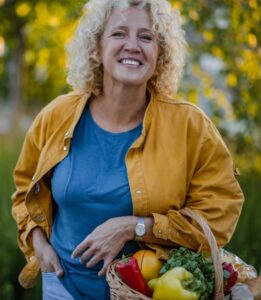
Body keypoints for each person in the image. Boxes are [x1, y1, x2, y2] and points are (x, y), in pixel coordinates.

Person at [11, 0, 244, 299]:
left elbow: (218, 217)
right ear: (96, 48)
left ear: (160, 53)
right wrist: (37, 242)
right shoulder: (57, 116)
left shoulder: (191, 127)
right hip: (61, 286)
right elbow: (25, 188)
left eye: (146, 37)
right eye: (119, 34)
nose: (132, 45)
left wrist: (134, 227)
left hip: (148, 292)